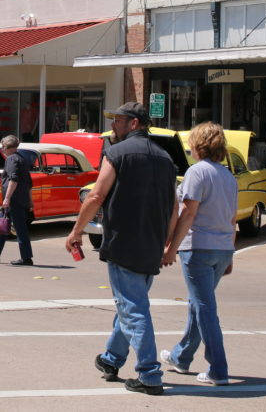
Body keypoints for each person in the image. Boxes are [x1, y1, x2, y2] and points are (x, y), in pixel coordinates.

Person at [66, 102, 176, 396]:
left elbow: (97, 194)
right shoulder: (166, 159)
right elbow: (173, 208)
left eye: (119, 120)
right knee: (130, 303)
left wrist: (76, 230)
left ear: (135, 124)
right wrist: (168, 244)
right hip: (151, 244)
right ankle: (111, 359)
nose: (113, 125)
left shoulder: (117, 154)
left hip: (124, 243)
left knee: (134, 309)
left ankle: (150, 374)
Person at [160, 122, 238, 386]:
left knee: (204, 308)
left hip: (198, 248)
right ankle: (181, 357)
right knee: (198, 304)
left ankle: (218, 369)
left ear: (198, 144)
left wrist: (170, 248)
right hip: (222, 249)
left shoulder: (197, 172)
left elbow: (188, 213)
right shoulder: (228, 176)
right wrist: (231, 255)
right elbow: (232, 219)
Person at [0, 135, 34, 265]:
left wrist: (7, 198)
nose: (2, 149)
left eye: (3, 147)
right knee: (3, 225)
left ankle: (26, 258)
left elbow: (13, 180)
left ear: (8, 147)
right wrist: (30, 201)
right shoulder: (22, 159)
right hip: (21, 199)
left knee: (20, 228)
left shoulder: (11, 159)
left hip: (14, 200)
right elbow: (28, 183)